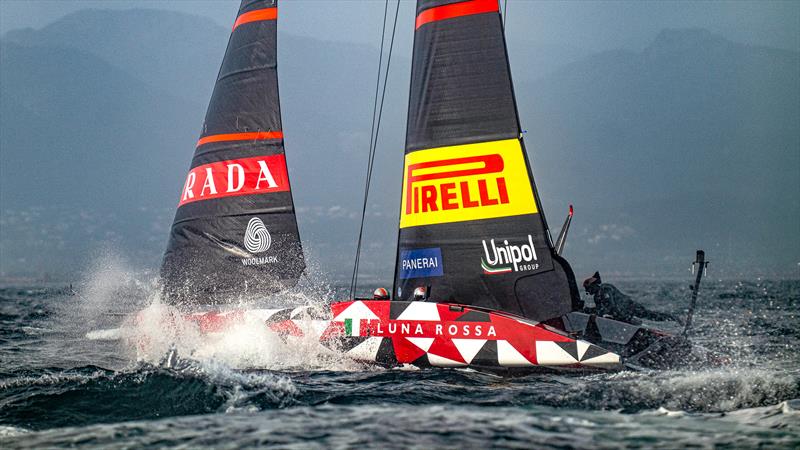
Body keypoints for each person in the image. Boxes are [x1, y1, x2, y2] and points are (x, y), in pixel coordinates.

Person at [583, 272, 681, 324]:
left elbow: (609, 306)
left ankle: (673, 318)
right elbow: (602, 310)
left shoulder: (605, 289)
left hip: (630, 308)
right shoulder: (597, 296)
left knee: (650, 315)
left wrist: (591, 311)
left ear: (594, 285)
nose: (588, 291)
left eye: (588, 288)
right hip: (623, 314)